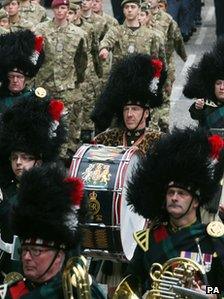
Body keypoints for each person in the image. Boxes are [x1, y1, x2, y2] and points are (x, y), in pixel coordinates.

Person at [117, 127, 224, 298]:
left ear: (195, 201)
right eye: (170, 192)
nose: (174, 198)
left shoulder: (213, 240)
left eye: (181, 194)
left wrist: (211, 293)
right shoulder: (149, 240)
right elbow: (131, 282)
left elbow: (221, 288)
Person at [2, 163, 105, 298]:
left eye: (36, 251)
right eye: (25, 249)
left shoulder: (84, 291)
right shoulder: (10, 293)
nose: (26, 257)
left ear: (59, 255)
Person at [0, 96, 66, 279]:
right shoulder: (6, 192)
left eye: (25, 157)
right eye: (14, 157)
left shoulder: (51, 194)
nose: (19, 163)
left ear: (39, 161)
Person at [34, 0, 88, 157]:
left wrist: (76, 81)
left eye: (63, 7)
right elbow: (34, 57)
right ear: (52, 9)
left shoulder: (78, 34)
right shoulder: (40, 30)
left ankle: (62, 160)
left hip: (67, 86)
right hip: (44, 86)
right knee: (43, 124)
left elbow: (81, 61)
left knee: (64, 125)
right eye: (56, 7)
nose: (59, 11)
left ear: (68, 10)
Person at [91, 53, 166, 155]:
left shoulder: (159, 142)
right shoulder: (106, 139)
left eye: (135, 109)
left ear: (146, 113)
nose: (129, 114)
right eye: (126, 109)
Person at [99, 0, 166, 67]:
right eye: (126, 7)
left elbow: (159, 60)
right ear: (123, 10)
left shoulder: (150, 34)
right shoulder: (116, 31)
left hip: (143, 75)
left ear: (139, 10)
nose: (129, 10)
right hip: (121, 75)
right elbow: (107, 41)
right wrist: (104, 49)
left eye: (133, 7)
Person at [0, 30, 44, 114]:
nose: (15, 80)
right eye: (11, 76)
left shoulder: (34, 101)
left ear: (26, 78)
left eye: (19, 77)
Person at [184, 39, 224, 130]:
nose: (222, 87)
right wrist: (198, 107)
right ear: (212, 85)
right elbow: (194, 114)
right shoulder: (206, 104)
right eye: (218, 83)